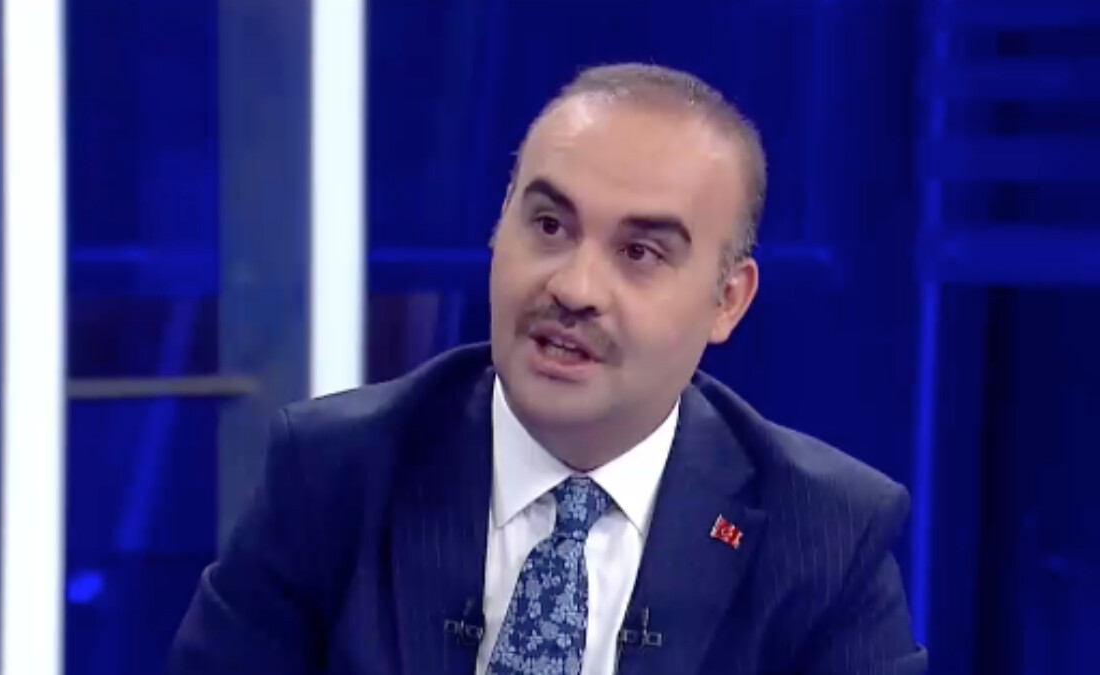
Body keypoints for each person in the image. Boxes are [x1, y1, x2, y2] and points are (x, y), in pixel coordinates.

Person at [168, 62, 928, 675]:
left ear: (727, 301)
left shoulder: (822, 539)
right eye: (549, 225)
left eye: (639, 252)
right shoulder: (335, 475)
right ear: (498, 229)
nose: (573, 287)